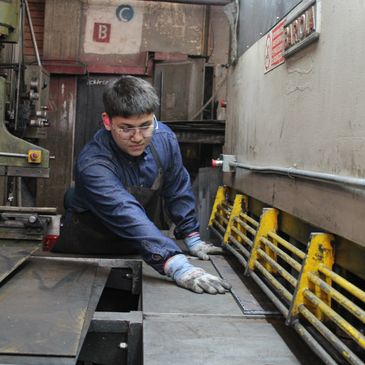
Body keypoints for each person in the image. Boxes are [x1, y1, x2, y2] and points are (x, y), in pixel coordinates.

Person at [52, 75, 231, 295]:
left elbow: (177, 187)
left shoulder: (164, 139)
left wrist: (191, 237)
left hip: (139, 247)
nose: (137, 137)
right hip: (87, 252)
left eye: (145, 125)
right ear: (107, 121)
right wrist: (177, 265)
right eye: (126, 128)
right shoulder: (93, 164)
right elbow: (123, 210)